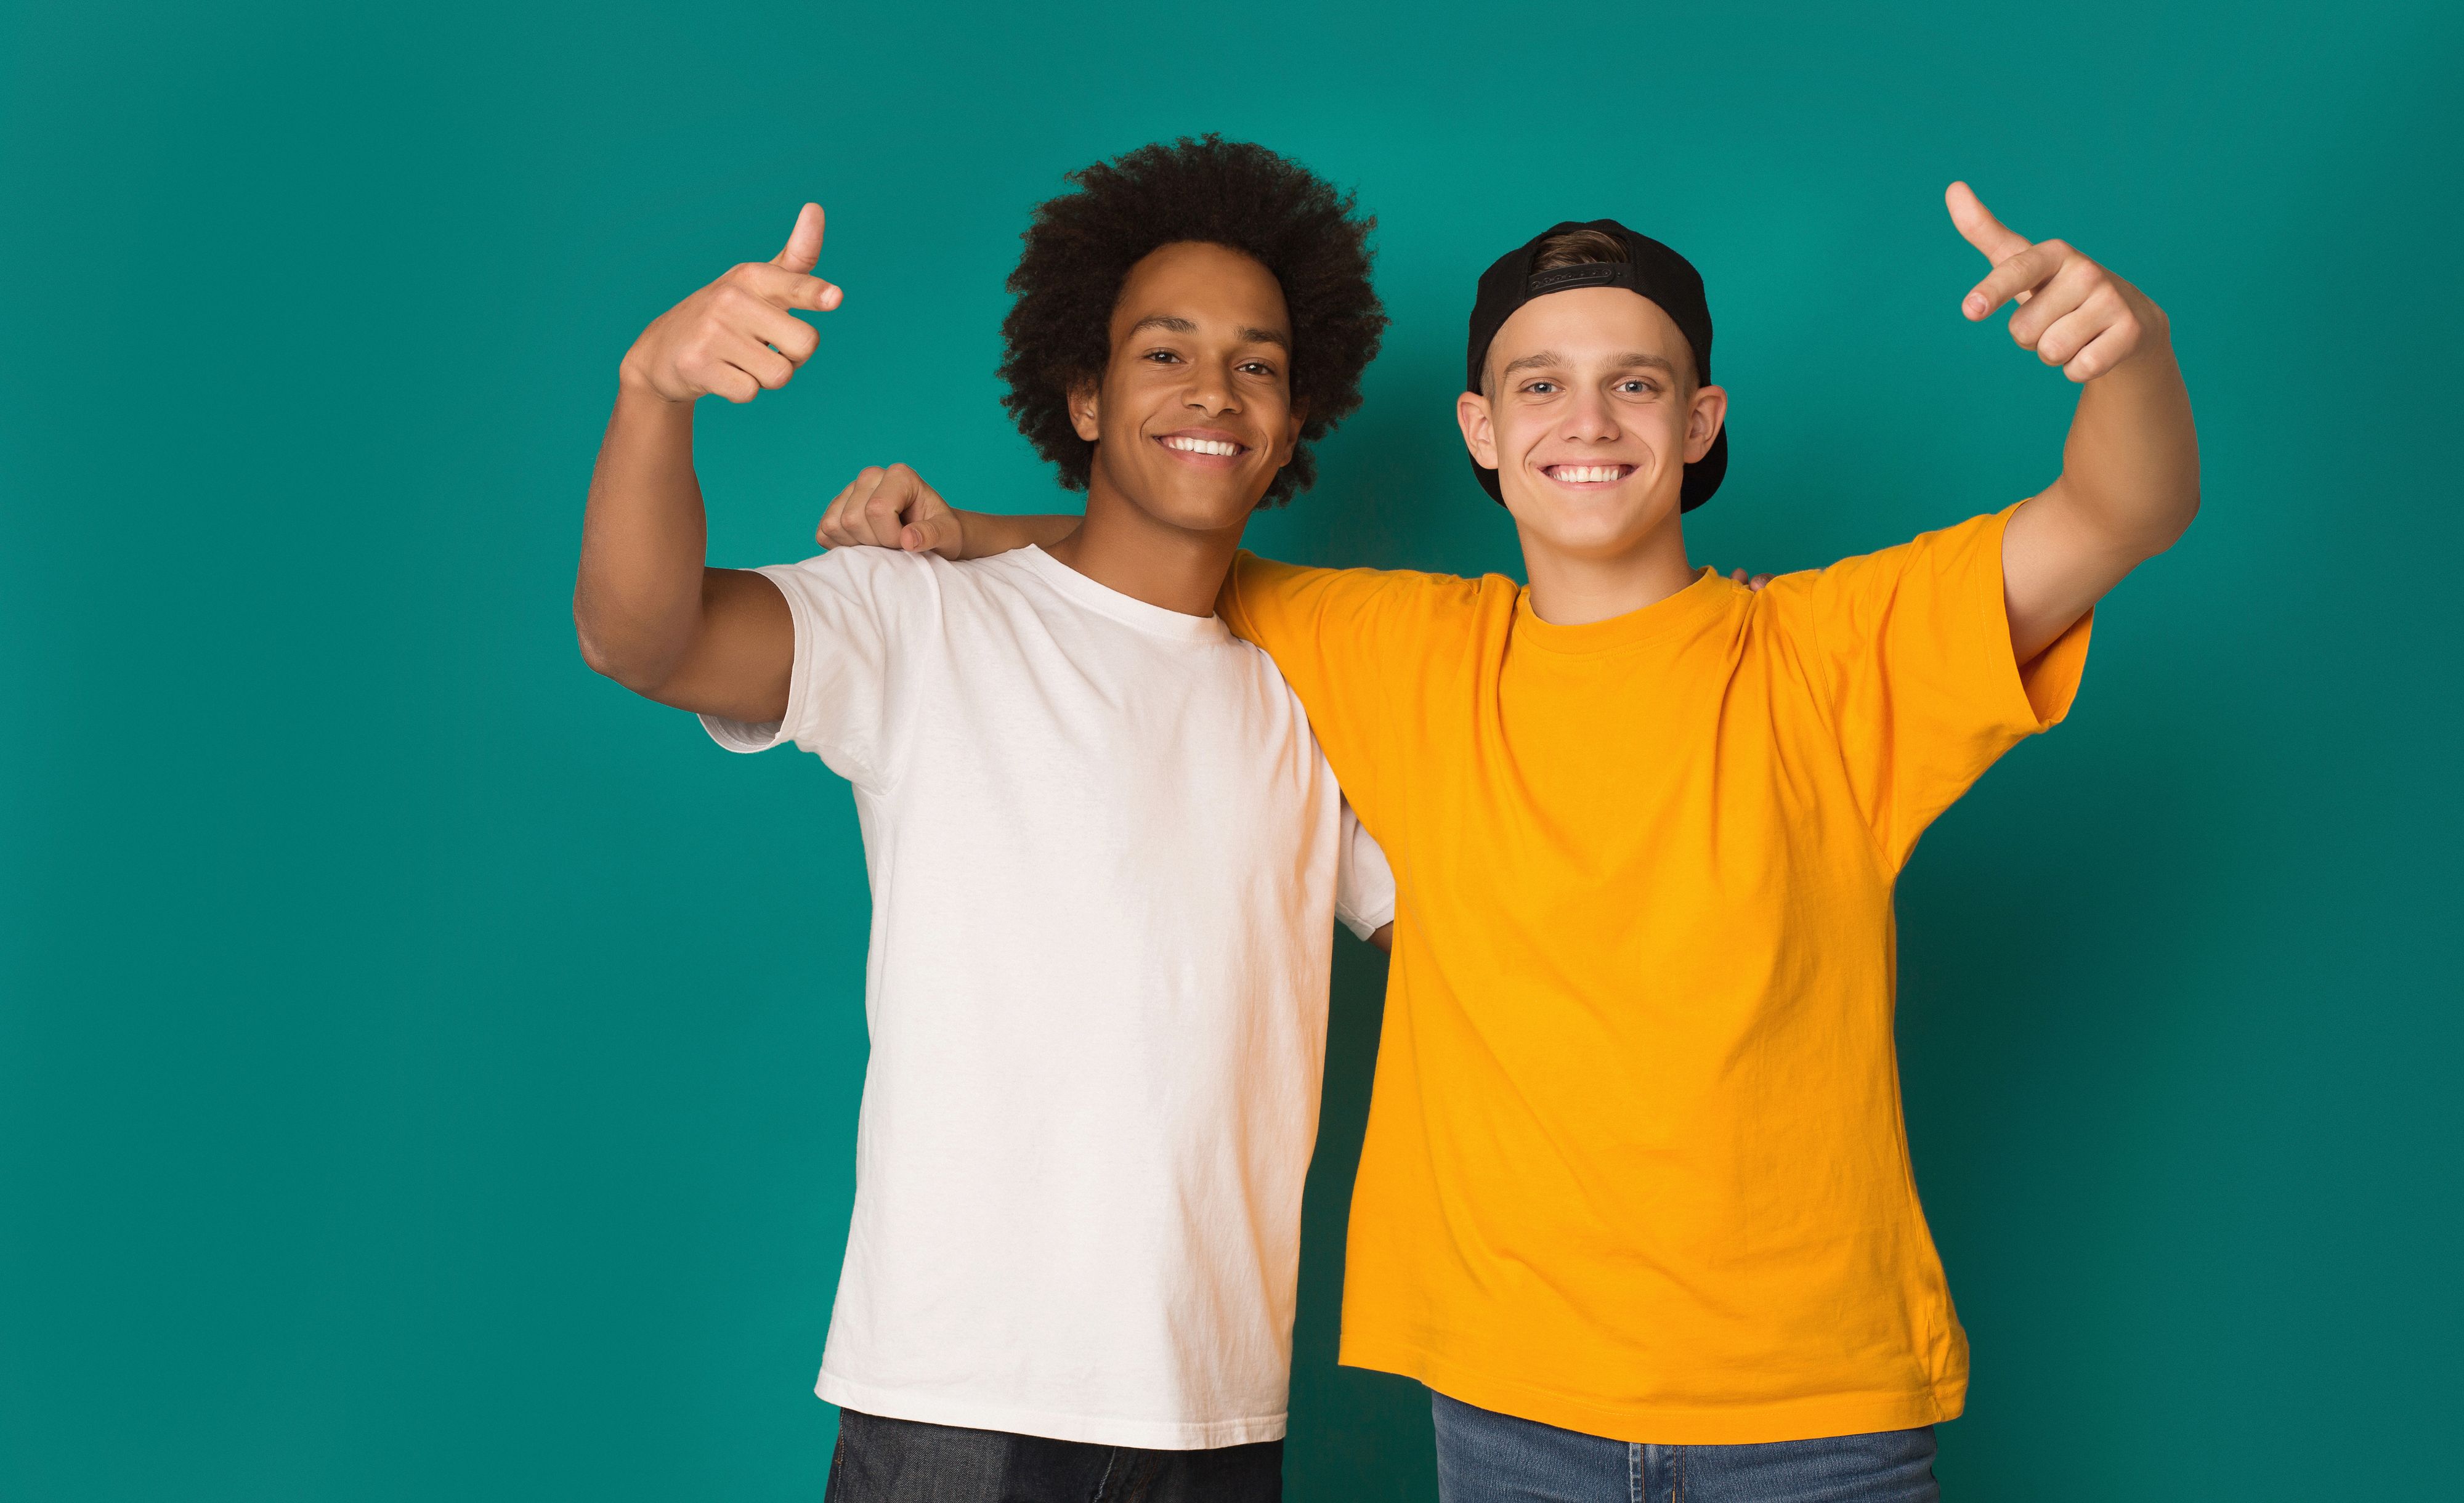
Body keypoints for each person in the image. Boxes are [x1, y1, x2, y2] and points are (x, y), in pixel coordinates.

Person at [821, 182, 2199, 1502]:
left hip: (1815, 1414)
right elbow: (1165, 539)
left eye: (1635, 382)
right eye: (1538, 383)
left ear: (1700, 418)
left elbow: (2120, 511)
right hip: (1509, 1417)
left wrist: (2122, 352)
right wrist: (958, 530)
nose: (1585, 419)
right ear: (1479, 428)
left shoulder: (1834, 653)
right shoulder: (1399, 647)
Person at [572, 136, 1398, 1503]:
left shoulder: (1313, 703)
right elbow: (642, 638)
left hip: (1214, 1402)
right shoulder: (921, 618)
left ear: (1295, 418)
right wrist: (653, 392)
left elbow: (1468, 921)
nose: (1213, 389)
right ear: (1080, 390)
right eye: (1163, 352)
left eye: (1257, 363)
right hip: (951, 1400)